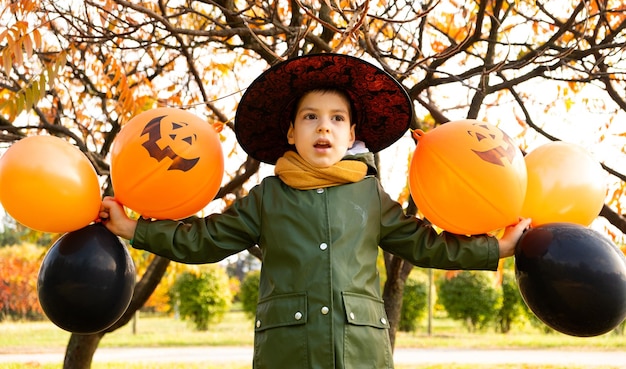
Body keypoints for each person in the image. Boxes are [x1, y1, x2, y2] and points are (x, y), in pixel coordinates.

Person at [100, 53, 530, 369]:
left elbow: (428, 246)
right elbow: (204, 239)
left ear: (352, 134)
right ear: (291, 132)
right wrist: (134, 228)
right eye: (310, 117)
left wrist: (495, 248)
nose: (324, 126)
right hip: (287, 353)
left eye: (337, 119)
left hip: (360, 353)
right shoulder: (268, 197)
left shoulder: (369, 196)